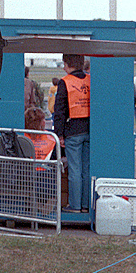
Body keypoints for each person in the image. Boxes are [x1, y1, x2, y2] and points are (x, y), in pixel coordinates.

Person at [53, 53, 91, 212]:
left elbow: (59, 111)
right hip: (89, 129)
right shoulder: (90, 79)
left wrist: (59, 134)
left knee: (74, 170)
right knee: (86, 169)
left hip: (72, 131)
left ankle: (74, 205)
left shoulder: (65, 82)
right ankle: (85, 205)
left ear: (68, 64)